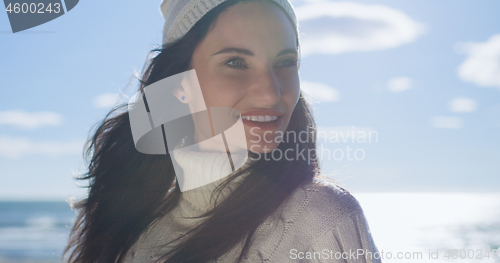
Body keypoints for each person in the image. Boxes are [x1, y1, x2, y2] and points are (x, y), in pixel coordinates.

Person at [64, 0, 382, 262]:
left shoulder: (319, 220)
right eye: (235, 63)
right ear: (177, 82)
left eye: (285, 62)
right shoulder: (134, 226)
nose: (271, 94)